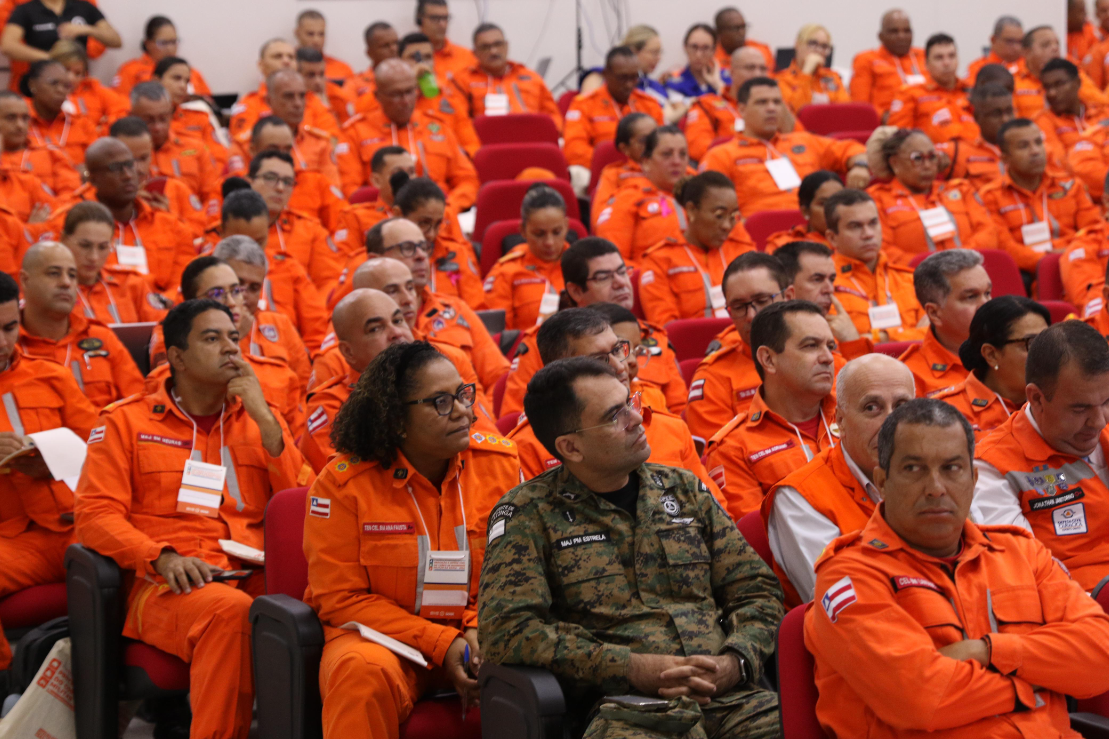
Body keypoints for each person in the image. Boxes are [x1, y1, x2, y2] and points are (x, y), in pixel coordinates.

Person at [482, 354, 782, 737]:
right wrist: (627, 666)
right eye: (614, 416)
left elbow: (756, 589)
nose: (637, 419)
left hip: (729, 699)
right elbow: (508, 631)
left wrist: (736, 660)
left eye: (630, 402)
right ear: (571, 447)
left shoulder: (682, 490)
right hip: (623, 711)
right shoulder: (528, 514)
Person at [76, 298, 311, 739]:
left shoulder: (260, 420)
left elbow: (303, 506)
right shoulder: (126, 422)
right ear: (177, 357)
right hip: (165, 583)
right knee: (230, 613)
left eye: (233, 338)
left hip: (248, 570)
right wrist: (159, 557)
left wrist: (264, 418)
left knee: (320, 602)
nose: (231, 349)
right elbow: (93, 514)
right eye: (212, 338)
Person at [806, 397, 1109, 739]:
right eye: (913, 469)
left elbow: (1101, 656)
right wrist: (1035, 687)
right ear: (882, 481)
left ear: (974, 478)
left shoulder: (1020, 552)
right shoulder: (848, 574)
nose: (936, 489)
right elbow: (922, 699)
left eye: (952, 468)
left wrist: (988, 651)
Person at [303, 338, 515, 739]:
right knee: (358, 673)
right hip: (385, 643)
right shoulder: (343, 485)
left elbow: (519, 573)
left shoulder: (501, 465)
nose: (463, 411)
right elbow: (339, 598)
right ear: (396, 419)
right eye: (440, 402)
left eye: (463, 395)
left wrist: (474, 627)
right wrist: (441, 641)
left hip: (479, 632)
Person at [506, 307, 721, 496]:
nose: (621, 366)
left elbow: (716, 519)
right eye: (599, 360)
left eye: (617, 349)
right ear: (560, 369)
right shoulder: (525, 449)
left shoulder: (670, 428)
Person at [0, 269, 97, 674]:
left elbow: (103, 446)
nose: (2, 342)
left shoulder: (51, 375)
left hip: (79, 525)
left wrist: (55, 458)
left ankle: (160, 705)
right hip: (14, 541)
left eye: (9, 328)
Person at [764, 353, 914, 606]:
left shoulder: (936, 473)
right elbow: (844, 603)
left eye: (902, 407)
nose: (892, 423)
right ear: (840, 422)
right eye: (872, 408)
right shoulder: (800, 496)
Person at [973, 320, 1109, 590]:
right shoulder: (992, 466)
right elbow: (1024, 574)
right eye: (1080, 409)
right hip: (1080, 612)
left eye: (1107, 402)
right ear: (1036, 398)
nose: (1099, 421)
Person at [500, 237, 687, 418]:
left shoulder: (653, 336)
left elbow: (680, 411)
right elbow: (519, 417)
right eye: (604, 277)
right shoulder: (544, 343)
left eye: (622, 272)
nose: (621, 283)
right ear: (576, 291)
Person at [704, 299, 839, 523]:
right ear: (768, 359)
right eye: (810, 346)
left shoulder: (856, 417)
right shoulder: (733, 448)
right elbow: (762, 541)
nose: (827, 358)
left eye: (830, 346)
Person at [35, 137, 196, 297]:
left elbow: (186, 281)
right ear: (93, 178)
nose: (127, 175)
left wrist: (165, 300)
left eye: (129, 165)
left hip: (163, 313)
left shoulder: (172, 225)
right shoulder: (63, 225)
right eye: (115, 168)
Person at [365, 217, 507, 391]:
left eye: (424, 247)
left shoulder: (456, 308)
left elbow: (499, 378)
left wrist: (488, 418)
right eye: (407, 248)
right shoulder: (356, 325)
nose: (421, 256)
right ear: (374, 259)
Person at [700, 78, 868, 217]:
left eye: (777, 102)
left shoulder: (804, 141)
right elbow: (709, 209)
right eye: (762, 102)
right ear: (742, 109)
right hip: (757, 239)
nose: (772, 108)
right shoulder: (721, 155)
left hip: (813, 232)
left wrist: (861, 167)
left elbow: (854, 150)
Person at [336, 59, 479, 210]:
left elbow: (468, 180)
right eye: (396, 94)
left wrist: (448, 207)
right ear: (378, 96)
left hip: (440, 216)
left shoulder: (438, 126)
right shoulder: (354, 132)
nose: (405, 101)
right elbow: (350, 190)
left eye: (410, 92)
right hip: (382, 221)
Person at [17, 240, 143, 409]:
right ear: (25, 280)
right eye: (54, 273)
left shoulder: (101, 337)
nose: (66, 283)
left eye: (72, 275)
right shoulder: (7, 345)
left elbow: (139, 405)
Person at [685, 252, 790, 446]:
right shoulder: (713, 377)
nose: (751, 315)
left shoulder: (821, 354)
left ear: (788, 297)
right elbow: (717, 459)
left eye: (762, 300)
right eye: (739, 306)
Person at [299, 288, 409, 470]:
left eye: (398, 320)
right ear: (348, 351)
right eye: (375, 329)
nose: (396, 332)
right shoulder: (333, 406)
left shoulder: (442, 379)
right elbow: (350, 480)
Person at [981, 118, 1103, 275]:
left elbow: (1093, 231)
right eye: (1023, 146)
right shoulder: (990, 196)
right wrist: (1049, 261)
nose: (1035, 151)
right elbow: (1005, 247)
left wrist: (1071, 255)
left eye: (1038, 142)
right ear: (1005, 158)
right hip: (1028, 272)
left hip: (1078, 263)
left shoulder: (1071, 185)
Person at [216, 188, 329, 353]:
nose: (250, 249)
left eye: (259, 241)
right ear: (221, 232)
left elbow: (317, 334)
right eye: (240, 242)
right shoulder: (203, 272)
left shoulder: (289, 268)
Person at [638, 171, 752, 326]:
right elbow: (669, 330)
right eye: (719, 215)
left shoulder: (743, 251)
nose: (727, 226)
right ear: (691, 210)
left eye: (733, 217)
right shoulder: (659, 260)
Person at [867, 128, 996, 264]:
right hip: (913, 279)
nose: (927, 165)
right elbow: (883, 249)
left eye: (932, 157)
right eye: (917, 158)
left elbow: (988, 233)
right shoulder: (877, 199)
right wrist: (931, 269)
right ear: (895, 163)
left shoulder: (962, 190)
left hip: (969, 272)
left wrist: (959, 263)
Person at [936, 296, 1049, 438]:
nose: (1046, 354)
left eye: (1048, 341)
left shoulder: (1059, 401)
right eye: (1031, 343)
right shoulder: (944, 412)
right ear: (991, 354)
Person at [356, 31, 480, 158]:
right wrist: (409, 84)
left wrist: (457, 156)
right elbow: (361, 113)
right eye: (413, 58)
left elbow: (471, 144)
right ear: (399, 61)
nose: (421, 64)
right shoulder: (383, 92)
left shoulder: (449, 97)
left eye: (427, 57)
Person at [823, 188, 926, 342]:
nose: (868, 234)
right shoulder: (824, 287)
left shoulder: (910, 280)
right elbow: (830, 348)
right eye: (855, 226)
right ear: (832, 238)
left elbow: (933, 335)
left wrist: (876, 338)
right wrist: (908, 335)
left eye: (873, 223)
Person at [212, 237, 312, 390]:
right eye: (237, 284)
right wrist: (235, 337)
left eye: (254, 288)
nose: (244, 294)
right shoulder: (191, 326)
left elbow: (303, 390)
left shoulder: (282, 326)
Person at [248, 150, 343, 295]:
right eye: (270, 178)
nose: (280, 188)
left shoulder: (310, 230)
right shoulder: (230, 226)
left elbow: (329, 282)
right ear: (249, 181)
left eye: (287, 182)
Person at [899, 250, 992, 398]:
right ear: (935, 313)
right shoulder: (908, 377)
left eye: (987, 293)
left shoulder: (1013, 350)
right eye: (971, 297)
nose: (986, 305)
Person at [563, 46, 664, 181]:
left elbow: (662, 144)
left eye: (634, 77)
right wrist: (613, 165)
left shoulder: (649, 104)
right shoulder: (584, 104)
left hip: (646, 172)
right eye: (622, 78)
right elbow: (574, 150)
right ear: (606, 74)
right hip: (599, 173)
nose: (629, 84)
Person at [685, 46, 801, 163]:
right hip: (732, 167)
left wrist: (779, 101)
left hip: (777, 164)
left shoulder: (774, 104)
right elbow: (697, 148)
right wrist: (748, 156)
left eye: (762, 69)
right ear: (732, 72)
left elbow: (801, 143)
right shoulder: (708, 104)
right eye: (750, 68)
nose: (757, 74)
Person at [594, 126, 690, 265]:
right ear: (646, 162)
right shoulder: (627, 199)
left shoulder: (702, 193)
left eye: (683, 154)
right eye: (667, 154)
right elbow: (611, 261)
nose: (677, 161)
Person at [62, 201, 169, 325]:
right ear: (63, 240)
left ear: (112, 245)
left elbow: (163, 330)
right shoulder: (52, 289)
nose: (94, 257)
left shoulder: (131, 284)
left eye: (102, 247)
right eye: (85, 246)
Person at [481, 185, 568, 330]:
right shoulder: (506, 272)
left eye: (557, 232)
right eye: (539, 234)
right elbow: (497, 338)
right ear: (523, 230)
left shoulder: (586, 264)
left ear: (566, 226)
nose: (549, 242)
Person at [129, 81, 221, 217]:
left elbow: (213, 196)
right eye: (149, 120)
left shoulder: (196, 148)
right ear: (131, 116)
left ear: (171, 114)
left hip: (192, 229)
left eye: (163, 118)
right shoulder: (119, 153)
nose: (157, 127)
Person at [450, 23, 562, 129]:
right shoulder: (462, 81)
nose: (493, 51)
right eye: (485, 47)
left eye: (498, 44)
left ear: (506, 46)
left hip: (532, 141)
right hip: (488, 144)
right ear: (475, 53)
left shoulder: (531, 77)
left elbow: (554, 118)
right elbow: (460, 124)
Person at [774, 240, 872, 358]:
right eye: (817, 279)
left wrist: (851, 341)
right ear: (787, 287)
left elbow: (865, 376)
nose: (830, 289)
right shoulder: (771, 338)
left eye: (831, 279)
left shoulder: (837, 328)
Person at [229, 38, 338, 141]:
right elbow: (246, 146)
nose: (286, 61)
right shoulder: (249, 105)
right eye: (277, 56)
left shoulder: (312, 101)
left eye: (291, 57)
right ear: (261, 65)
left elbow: (332, 141)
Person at [888, 34, 976, 144]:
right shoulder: (910, 94)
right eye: (939, 58)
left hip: (972, 153)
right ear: (926, 64)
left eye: (951, 56)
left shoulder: (973, 91)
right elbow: (897, 140)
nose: (947, 63)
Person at [0, 0, 119, 78]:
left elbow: (116, 40)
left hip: (77, 79)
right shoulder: (25, 10)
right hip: (43, 76)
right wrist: (52, 57)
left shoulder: (84, 6)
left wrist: (86, 29)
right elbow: (8, 46)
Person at [333, 146, 415, 256]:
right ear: (376, 181)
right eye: (398, 173)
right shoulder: (356, 217)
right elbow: (344, 261)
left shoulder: (428, 214)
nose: (407, 178)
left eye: (411, 172)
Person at [1015, 26, 1109, 119]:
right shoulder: (1015, 82)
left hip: (1071, 131)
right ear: (1026, 52)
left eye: (1057, 44)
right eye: (1045, 45)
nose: (1055, 48)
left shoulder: (1072, 75)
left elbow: (1102, 105)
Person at [935, 79, 1014, 188]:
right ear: (977, 117)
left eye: (1009, 112)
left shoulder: (1028, 147)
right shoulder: (956, 152)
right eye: (996, 114)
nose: (1005, 119)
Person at [850, 10, 928, 119]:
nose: (901, 36)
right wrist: (884, 116)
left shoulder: (925, 55)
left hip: (930, 119)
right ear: (881, 36)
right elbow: (859, 106)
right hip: (889, 125)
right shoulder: (866, 60)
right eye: (894, 32)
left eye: (907, 31)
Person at [153, 56, 228, 168]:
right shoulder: (141, 119)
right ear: (156, 80)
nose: (183, 86)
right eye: (176, 78)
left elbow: (219, 158)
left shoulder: (199, 116)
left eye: (186, 81)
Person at [0, 91, 78, 195]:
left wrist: (51, 210)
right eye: (11, 118)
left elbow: (72, 196)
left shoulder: (52, 154)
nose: (20, 125)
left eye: (25, 118)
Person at [112, 15, 210, 98]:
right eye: (163, 43)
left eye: (173, 42)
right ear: (148, 43)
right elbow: (119, 105)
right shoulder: (130, 71)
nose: (170, 48)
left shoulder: (191, 72)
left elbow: (210, 104)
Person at [21, 59, 96, 165]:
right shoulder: (16, 120)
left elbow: (97, 164)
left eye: (66, 86)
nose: (61, 90)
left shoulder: (82, 124)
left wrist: (85, 172)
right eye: (53, 83)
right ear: (32, 84)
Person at [1035, 58, 1107, 166]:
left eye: (1059, 84)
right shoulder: (1043, 121)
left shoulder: (1103, 113)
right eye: (1047, 87)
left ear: (1077, 83)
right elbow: (1058, 162)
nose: (1052, 93)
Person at [589, 112, 656, 223]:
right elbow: (600, 218)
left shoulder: (675, 169)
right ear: (625, 148)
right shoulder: (613, 175)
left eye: (655, 138)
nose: (653, 145)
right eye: (644, 141)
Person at [50, 40, 126, 136]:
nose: (70, 78)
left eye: (77, 73)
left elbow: (123, 112)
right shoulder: (43, 95)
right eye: (66, 70)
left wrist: (103, 129)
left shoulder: (94, 89)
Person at [775, 24, 849, 113]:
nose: (818, 50)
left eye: (824, 46)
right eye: (813, 43)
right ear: (797, 44)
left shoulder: (832, 77)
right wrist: (806, 73)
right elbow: (794, 114)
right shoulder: (781, 80)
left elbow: (845, 112)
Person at [764, 170, 842, 252]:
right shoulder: (782, 246)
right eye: (823, 204)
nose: (833, 209)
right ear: (805, 211)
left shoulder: (854, 243)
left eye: (839, 202)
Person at [415, 0, 476, 82]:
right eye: (435, 18)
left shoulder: (468, 56)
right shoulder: (408, 55)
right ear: (420, 19)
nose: (442, 24)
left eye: (445, 18)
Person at [297, 47, 357, 129]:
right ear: (297, 75)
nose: (318, 81)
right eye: (311, 75)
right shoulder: (295, 103)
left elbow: (349, 128)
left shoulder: (336, 94)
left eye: (321, 74)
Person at [663, 24, 727, 100]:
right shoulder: (674, 83)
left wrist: (718, 85)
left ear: (714, 50)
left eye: (705, 48)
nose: (698, 55)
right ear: (685, 47)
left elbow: (735, 108)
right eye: (694, 47)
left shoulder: (728, 78)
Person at [343, 21, 398, 100]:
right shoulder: (354, 84)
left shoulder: (411, 77)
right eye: (385, 46)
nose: (394, 49)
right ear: (369, 53)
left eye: (396, 43)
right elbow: (353, 111)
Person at [294, 9, 352, 82]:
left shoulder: (342, 69)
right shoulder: (287, 66)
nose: (316, 40)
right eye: (310, 34)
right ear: (297, 33)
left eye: (321, 34)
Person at [714, 6, 774, 73]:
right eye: (735, 28)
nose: (741, 32)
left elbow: (775, 78)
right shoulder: (711, 56)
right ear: (719, 32)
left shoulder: (761, 51)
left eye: (743, 27)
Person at [967, 16, 1025, 81]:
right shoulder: (978, 68)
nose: (1016, 47)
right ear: (993, 40)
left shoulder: (1029, 67)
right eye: (1010, 41)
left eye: (1020, 42)